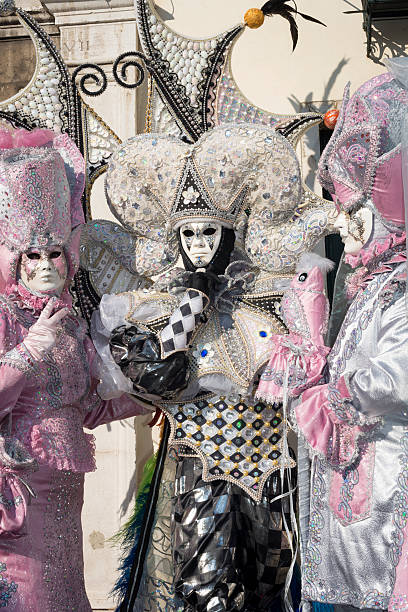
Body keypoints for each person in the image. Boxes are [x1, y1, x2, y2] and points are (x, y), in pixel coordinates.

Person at [90, 122, 335, 612]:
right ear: (174, 237)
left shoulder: (265, 296)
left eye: (210, 232)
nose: (200, 243)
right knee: (205, 589)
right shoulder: (152, 309)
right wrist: (192, 304)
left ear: (229, 235)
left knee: (272, 588)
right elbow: (160, 375)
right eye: (189, 233)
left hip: (271, 469)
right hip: (198, 469)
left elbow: (307, 364)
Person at [0, 127, 148, 612]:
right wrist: (29, 350)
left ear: (70, 255)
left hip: (65, 488)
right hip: (17, 487)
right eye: (33, 256)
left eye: (54, 253)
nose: (45, 266)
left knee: (64, 593)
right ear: (14, 261)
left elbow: (86, 408)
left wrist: (149, 392)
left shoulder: (69, 322)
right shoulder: (3, 314)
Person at [282, 60, 408, 611]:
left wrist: (334, 396)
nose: (342, 223)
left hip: (388, 489)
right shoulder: (371, 285)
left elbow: (399, 374)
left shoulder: (402, 288)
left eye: (354, 208)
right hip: (356, 488)